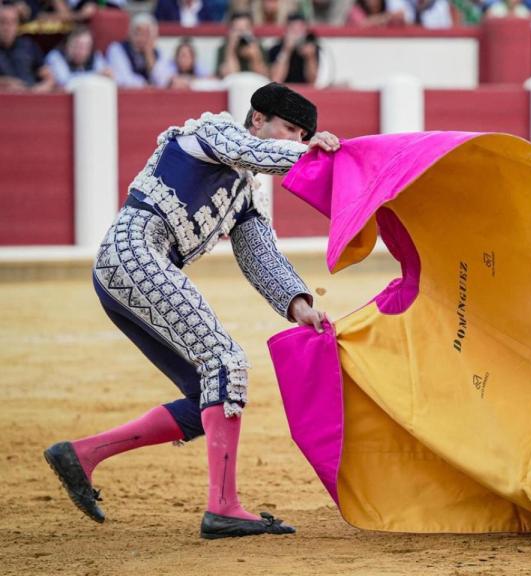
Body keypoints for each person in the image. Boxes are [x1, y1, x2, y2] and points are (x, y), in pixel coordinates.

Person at [43, 82, 340, 540]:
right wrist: (309, 155)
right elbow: (250, 152)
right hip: (134, 252)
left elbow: (259, 253)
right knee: (226, 362)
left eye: (304, 135)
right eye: (290, 130)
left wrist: (300, 305)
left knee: (209, 390)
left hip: (134, 267)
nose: (296, 142)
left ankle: (81, 455)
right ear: (258, 119)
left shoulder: (246, 191)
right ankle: (223, 507)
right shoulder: (215, 132)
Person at [107, 13, 172, 88]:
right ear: (130, 33)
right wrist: (144, 84)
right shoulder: (117, 49)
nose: (142, 38)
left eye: (147, 34)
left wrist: (149, 55)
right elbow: (122, 79)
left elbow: (163, 81)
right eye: (138, 32)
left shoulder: (158, 52)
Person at [0, 3, 54, 91]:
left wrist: (36, 90)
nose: (7, 27)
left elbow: (49, 77)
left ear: (18, 25)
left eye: (12, 22)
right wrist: (5, 83)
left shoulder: (28, 46)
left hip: (29, 97)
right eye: (3, 22)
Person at [44, 26, 110, 89]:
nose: (82, 51)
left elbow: (105, 79)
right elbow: (64, 83)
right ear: (68, 44)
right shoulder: (56, 56)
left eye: (87, 46)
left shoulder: (95, 56)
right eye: (78, 45)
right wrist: (96, 76)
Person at [268, 12, 318, 84]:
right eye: (293, 29)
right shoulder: (275, 49)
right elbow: (276, 79)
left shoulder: (312, 50)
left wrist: (310, 58)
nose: (297, 34)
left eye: (300, 29)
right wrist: (286, 51)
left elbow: (312, 82)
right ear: (286, 31)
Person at [216, 11, 270, 78]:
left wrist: (255, 56)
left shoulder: (259, 47)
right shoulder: (223, 48)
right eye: (237, 29)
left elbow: (263, 78)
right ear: (230, 30)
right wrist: (231, 49)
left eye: (245, 29)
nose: (241, 34)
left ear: (251, 30)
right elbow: (230, 76)